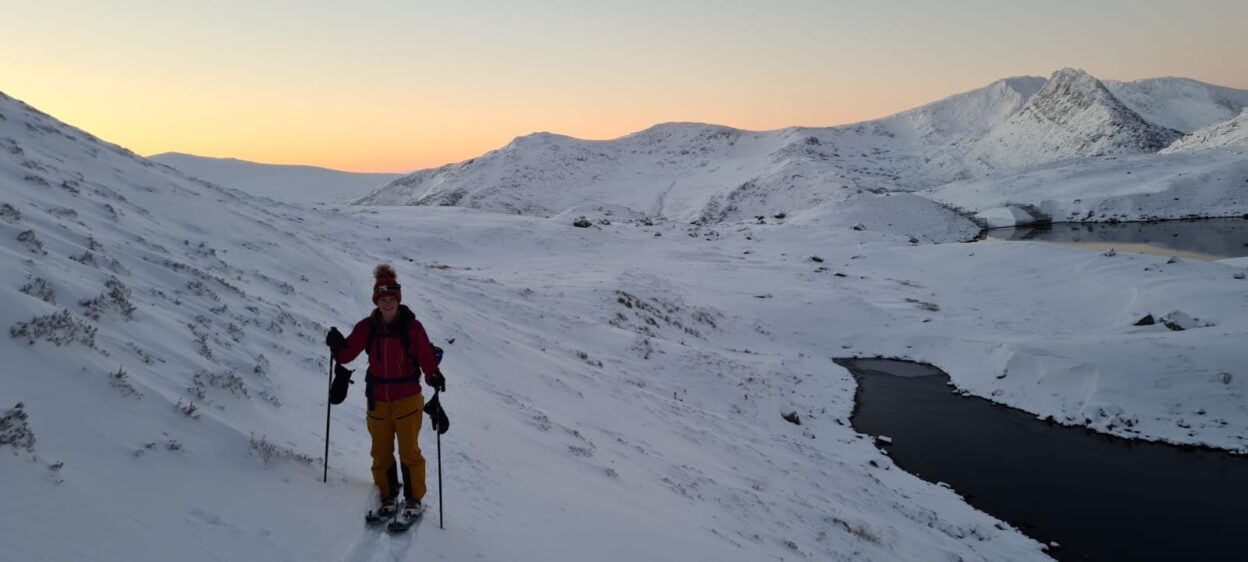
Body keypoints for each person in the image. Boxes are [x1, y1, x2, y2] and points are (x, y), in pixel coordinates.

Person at [325, 264, 446, 520]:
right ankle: (388, 495)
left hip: (408, 398)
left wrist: (433, 376)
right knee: (380, 452)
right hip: (377, 399)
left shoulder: (413, 327)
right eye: (383, 299)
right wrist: (336, 346)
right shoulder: (367, 327)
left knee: (409, 451)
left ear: (398, 299)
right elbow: (347, 354)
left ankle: (414, 499)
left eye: (391, 298)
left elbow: (425, 356)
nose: (388, 303)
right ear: (376, 300)